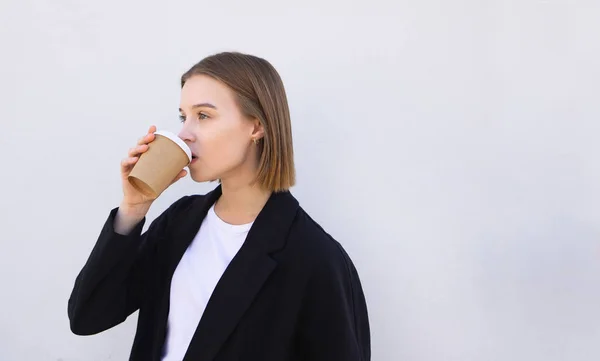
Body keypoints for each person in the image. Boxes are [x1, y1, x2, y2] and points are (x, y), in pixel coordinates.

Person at [67, 51, 370, 361]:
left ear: (256, 126)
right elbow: (88, 316)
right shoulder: (179, 223)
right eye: (184, 116)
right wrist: (133, 208)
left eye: (204, 116)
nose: (184, 134)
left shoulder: (316, 258)